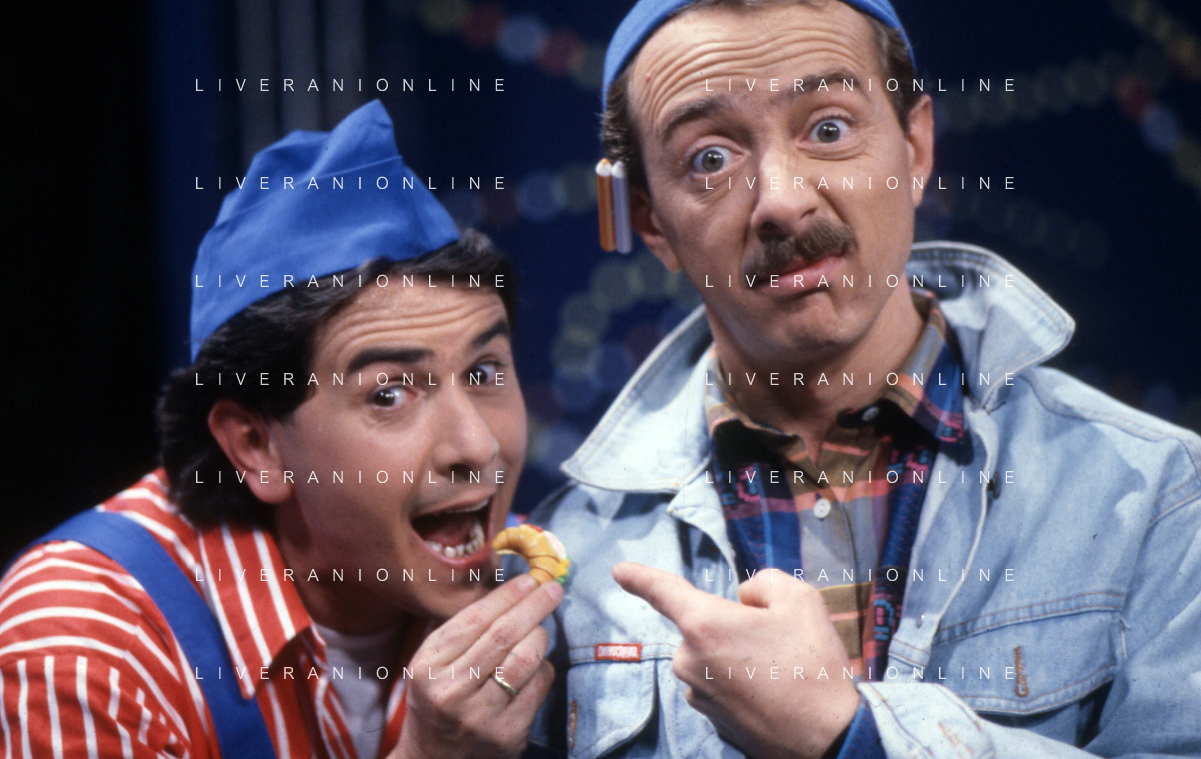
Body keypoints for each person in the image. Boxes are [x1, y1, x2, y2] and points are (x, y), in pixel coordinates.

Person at [529, 1, 1201, 758]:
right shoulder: (569, 568)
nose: (782, 200)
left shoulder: (1158, 494)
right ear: (652, 222)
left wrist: (850, 737)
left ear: (915, 148)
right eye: (710, 159)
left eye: (828, 129)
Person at [0, 100, 562, 759]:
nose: (477, 446)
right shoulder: (88, 638)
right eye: (389, 393)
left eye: (485, 372)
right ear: (256, 446)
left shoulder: (560, 588)